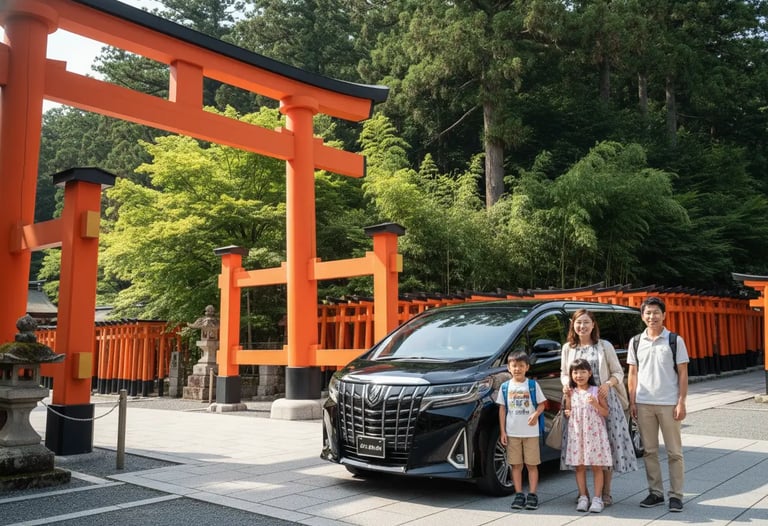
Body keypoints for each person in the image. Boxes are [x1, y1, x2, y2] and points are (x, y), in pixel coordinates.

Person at [560, 309, 637, 506]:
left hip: (603, 398)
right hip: (577, 401)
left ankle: (605, 493)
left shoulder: (604, 346)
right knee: (580, 448)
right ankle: (583, 494)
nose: (582, 326)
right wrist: (565, 384)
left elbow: (618, 372)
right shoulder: (568, 347)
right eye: (578, 323)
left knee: (606, 446)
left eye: (586, 322)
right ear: (573, 325)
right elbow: (564, 372)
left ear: (593, 324)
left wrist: (608, 384)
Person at [627, 296, 689, 512]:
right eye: (648, 313)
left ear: (664, 315)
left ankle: (676, 495)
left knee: (674, 452)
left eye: (656, 312)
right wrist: (632, 401)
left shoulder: (674, 340)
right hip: (643, 403)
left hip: (669, 403)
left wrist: (681, 401)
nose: (651, 316)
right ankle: (656, 493)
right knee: (649, 451)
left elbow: (682, 372)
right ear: (642, 316)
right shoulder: (635, 341)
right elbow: (632, 374)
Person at [496, 351, 547, 510]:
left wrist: (536, 414)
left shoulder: (532, 385)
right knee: (516, 465)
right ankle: (519, 494)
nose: (517, 369)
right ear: (508, 368)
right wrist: (503, 432)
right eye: (514, 366)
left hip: (531, 433)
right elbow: (502, 410)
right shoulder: (505, 387)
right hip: (512, 433)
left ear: (527, 367)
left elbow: (542, 404)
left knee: (532, 465)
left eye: (521, 366)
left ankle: (532, 494)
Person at [563, 358, 612, 513]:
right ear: (571, 374)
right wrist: (568, 410)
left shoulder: (596, 391)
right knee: (579, 467)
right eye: (575, 372)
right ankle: (583, 496)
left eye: (583, 371)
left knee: (597, 466)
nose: (579, 375)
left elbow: (606, 412)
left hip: (594, 434)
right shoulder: (571, 392)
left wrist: (595, 404)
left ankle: (597, 498)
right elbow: (568, 410)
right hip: (577, 434)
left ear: (589, 373)